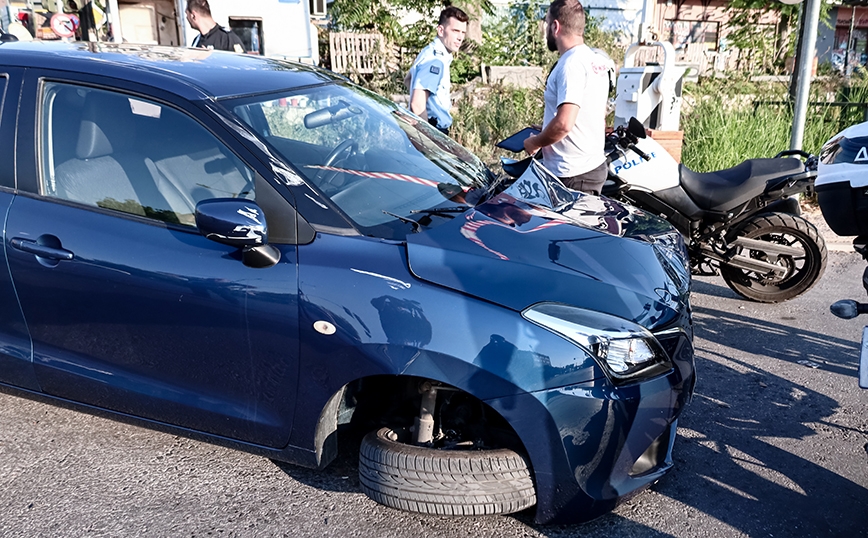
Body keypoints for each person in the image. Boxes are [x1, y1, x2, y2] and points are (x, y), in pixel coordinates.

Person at [523, 0, 609, 195]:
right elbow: (590, 114)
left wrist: (535, 142)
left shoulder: (571, 64)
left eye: (546, 23)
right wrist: (546, 129)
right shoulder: (595, 60)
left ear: (555, 26)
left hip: (573, 173)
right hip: (589, 166)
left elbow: (564, 124)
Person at [406, 7, 468, 136]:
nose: (460, 37)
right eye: (455, 31)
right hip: (432, 132)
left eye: (463, 32)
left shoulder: (429, 52)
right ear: (441, 30)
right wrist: (427, 140)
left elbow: (408, 80)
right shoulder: (435, 60)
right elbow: (417, 105)